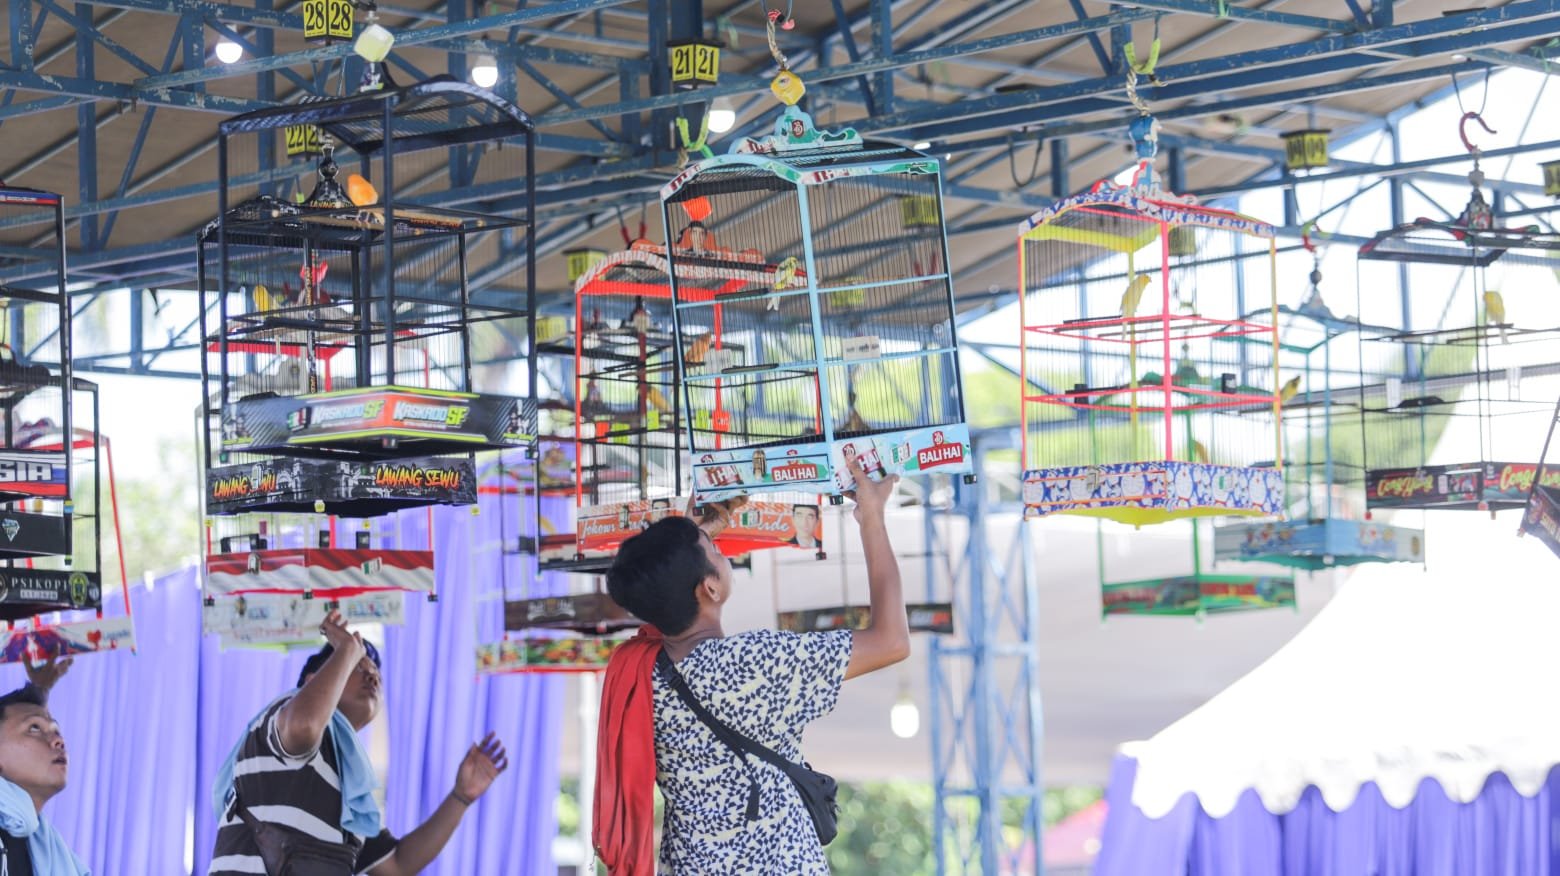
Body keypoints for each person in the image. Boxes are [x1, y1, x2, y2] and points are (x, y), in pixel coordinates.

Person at [594, 457, 908, 875]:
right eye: (715, 550)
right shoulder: (755, 663)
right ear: (709, 588)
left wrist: (694, 541)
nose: (721, 550)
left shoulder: (645, 675)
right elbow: (891, 640)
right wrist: (871, 516)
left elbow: (665, 593)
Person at [210, 612, 508, 876]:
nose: (373, 678)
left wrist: (460, 797)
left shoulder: (351, 785)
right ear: (313, 680)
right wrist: (347, 650)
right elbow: (304, 725)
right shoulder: (285, 712)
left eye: (375, 674)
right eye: (359, 668)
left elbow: (397, 865)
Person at [0, 654, 88, 875]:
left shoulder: (41, 845)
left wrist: (38, 692)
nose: (59, 740)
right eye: (34, 728)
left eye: (56, 730)